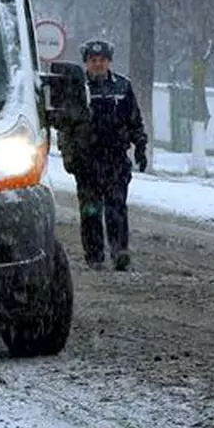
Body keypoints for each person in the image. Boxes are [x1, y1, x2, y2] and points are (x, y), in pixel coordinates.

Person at [58, 39, 148, 271]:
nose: (98, 64)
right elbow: (65, 127)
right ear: (86, 62)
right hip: (87, 160)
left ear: (109, 61)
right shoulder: (76, 89)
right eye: (93, 60)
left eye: (102, 60)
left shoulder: (122, 87)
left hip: (116, 159)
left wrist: (140, 146)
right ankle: (95, 255)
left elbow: (135, 120)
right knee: (90, 210)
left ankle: (120, 251)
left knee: (116, 207)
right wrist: (69, 156)